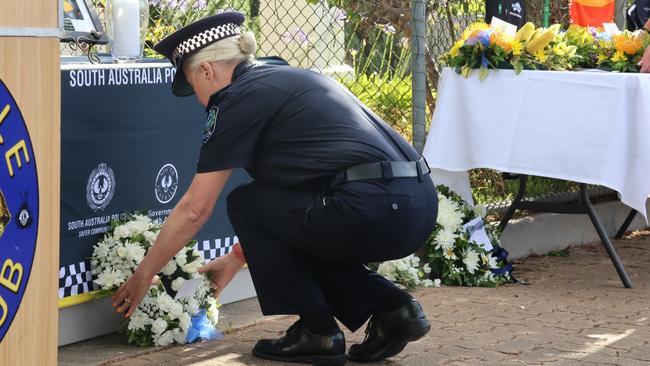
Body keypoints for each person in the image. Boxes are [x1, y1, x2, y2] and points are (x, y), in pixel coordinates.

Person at [112, 11, 438, 365]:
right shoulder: (278, 76)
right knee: (285, 214)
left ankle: (317, 332)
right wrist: (238, 257)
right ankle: (393, 311)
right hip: (415, 205)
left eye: (193, 85)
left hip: (373, 208)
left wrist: (145, 273)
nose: (197, 99)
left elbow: (195, 208)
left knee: (244, 203)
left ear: (207, 71)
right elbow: (294, 212)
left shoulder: (235, 98)